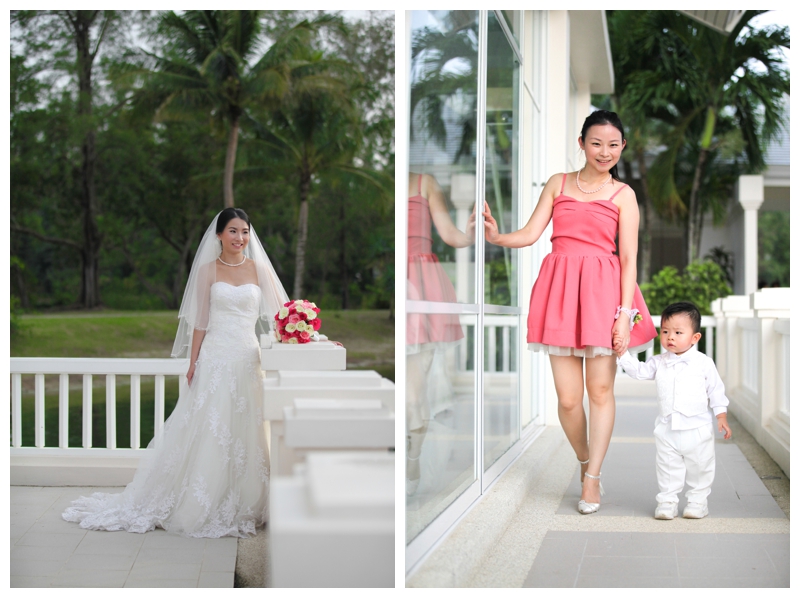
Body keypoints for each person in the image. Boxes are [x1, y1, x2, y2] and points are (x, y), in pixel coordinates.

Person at [63, 208, 289, 537]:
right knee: (210, 428)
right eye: (233, 231)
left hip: (246, 358)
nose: (240, 238)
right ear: (219, 235)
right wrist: (193, 362)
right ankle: (200, 500)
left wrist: (303, 332)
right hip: (215, 356)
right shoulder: (208, 271)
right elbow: (200, 322)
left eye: (244, 232)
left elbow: (281, 316)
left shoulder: (259, 270)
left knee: (246, 432)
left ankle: (246, 500)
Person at [483, 110, 657, 514]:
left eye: (614, 145)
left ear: (622, 147)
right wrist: (496, 236)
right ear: (581, 143)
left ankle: (592, 479)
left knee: (600, 391)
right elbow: (530, 234)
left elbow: (629, 257)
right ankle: (584, 461)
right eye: (596, 143)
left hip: (603, 291)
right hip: (560, 289)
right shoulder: (558, 184)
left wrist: (623, 314)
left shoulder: (623, 194)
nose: (605, 151)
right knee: (566, 400)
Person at [616, 301, 731, 520]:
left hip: (697, 428)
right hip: (667, 428)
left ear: (694, 337)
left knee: (701, 467)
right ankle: (667, 501)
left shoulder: (703, 363)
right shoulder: (659, 362)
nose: (670, 337)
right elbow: (639, 371)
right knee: (667, 467)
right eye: (666, 331)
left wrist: (721, 415)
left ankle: (698, 502)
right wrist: (623, 355)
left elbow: (716, 390)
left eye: (678, 332)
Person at [406, 172, 475, 497]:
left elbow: (448, 233)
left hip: (422, 282)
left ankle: (413, 457)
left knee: (416, 387)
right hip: (397, 282)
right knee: (403, 390)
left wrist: (471, 235)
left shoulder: (425, 183)